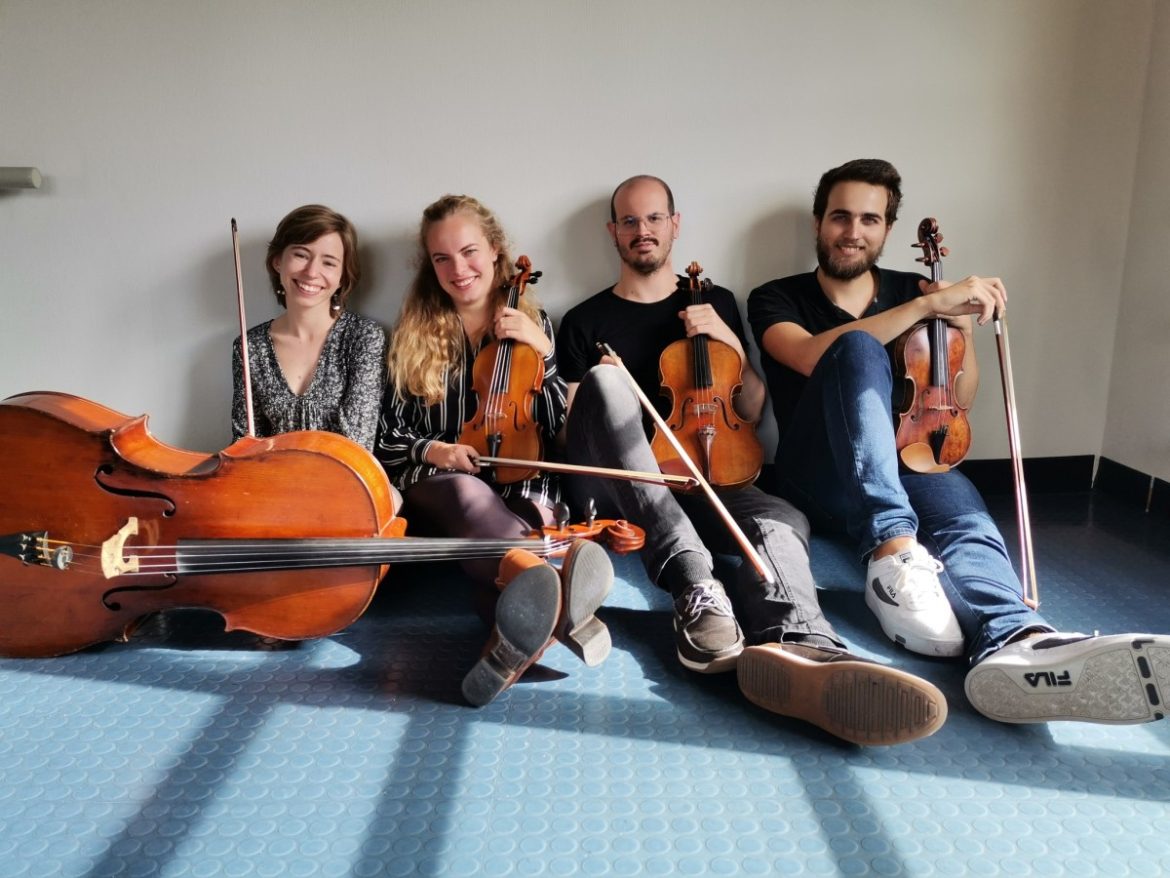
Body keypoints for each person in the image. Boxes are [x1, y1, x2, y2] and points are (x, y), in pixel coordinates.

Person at [747, 158, 1169, 725]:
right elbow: (805, 355)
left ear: (887, 230)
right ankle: (892, 551)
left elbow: (955, 401)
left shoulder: (913, 285)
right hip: (818, 477)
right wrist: (925, 307)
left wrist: (960, 335)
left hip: (908, 461)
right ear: (819, 223)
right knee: (855, 349)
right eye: (840, 217)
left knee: (963, 516)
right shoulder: (776, 295)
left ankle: (1015, 641)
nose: (853, 231)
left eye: (869, 219)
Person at [555, 174, 947, 746]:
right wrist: (599, 383)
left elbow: (752, 406)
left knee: (782, 519)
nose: (644, 231)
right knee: (606, 386)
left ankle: (803, 646)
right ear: (614, 231)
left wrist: (733, 346)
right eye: (631, 221)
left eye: (655, 219)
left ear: (675, 225)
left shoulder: (713, 301)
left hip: (718, 470)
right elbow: (574, 434)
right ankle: (696, 585)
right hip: (638, 483)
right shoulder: (583, 322)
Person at [376, 194, 612, 707]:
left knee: (525, 518)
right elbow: (385, 436)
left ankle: (510, 642)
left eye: (469, 251)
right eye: (441, 258)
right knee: (468, 497)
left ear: (496, 251)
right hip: (444, 488)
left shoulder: (535, 323)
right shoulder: (411, 335)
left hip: (523, 481)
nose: (458, 269)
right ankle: (555, 582)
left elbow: (554, 430)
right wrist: (434, 450)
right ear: (428, 265)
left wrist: (544, 356)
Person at [232, 204, 387, 451]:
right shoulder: (250, 346)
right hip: (273, 482)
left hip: (344, 483)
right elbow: (244, 444)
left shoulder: (363, 336)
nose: (312, 272)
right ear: (277, 262)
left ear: (342, 277)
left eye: (329, 262)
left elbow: (359, 444)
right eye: (301, 255)